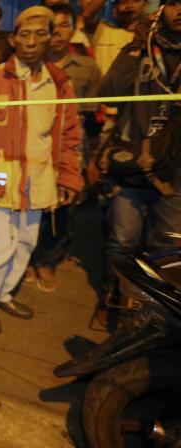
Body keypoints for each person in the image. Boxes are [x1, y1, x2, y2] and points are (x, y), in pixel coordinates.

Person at [0, 6, 83, 334]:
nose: (31, 42)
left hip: (40, 180)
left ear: (51, 38)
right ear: (13, 39)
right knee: (1, 245)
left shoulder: (60, 84)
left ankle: (3, 294)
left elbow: (70, 135)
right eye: (24, 34)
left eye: (40, 34)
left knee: (27, 243)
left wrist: (70, 176)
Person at [96, 0, 181, 301]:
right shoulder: (142, 48)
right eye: (173, 2)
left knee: (168, 246)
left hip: (176, 171)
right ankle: (116, 296)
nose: (180, 10)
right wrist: (135, 45)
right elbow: (108, 93)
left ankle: (155, 309)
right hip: (134, 162)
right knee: (123, 240)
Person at [28, 3, 102, 292]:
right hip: (32, 150)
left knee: (60, 211)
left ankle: (47, 260)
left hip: (68, 151)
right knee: (28, 207)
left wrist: (90, 158)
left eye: (63, 25)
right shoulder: (26, 67)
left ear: (73, 30)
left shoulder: (87, 67)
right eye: (51, 26)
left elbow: (93, 120)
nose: (57, 32)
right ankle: (26, 257)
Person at [82, 0, 147, 76]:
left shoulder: (146, 38)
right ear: (115, 9)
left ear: (146, 4)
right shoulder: (101, 29)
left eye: (135, 1)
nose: (129, 5)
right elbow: (87, 15)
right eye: (123, 2)